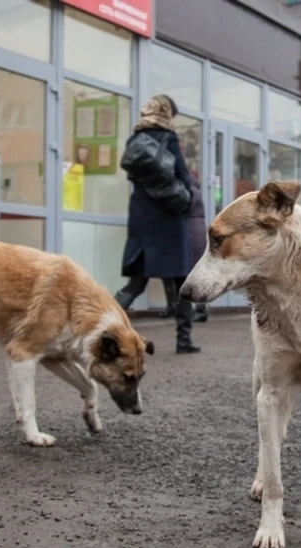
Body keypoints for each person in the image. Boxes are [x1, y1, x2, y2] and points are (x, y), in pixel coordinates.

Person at [113, 95, 200, 354]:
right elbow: (182, 174)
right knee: (182, 281)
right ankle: (183, 340)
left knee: (136, 283)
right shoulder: (167, 138)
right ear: (165, 114)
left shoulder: (135, 140)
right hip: (168, 217)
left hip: (141, 217)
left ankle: (103, 327)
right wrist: (188, 198)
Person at [186, 171, 209, 323]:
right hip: (199, 231)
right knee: (197, 272)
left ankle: (198, 310)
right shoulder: (197, 191)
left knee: (188, 273)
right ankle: (201, 309)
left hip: (191, 231)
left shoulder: (189, 191)